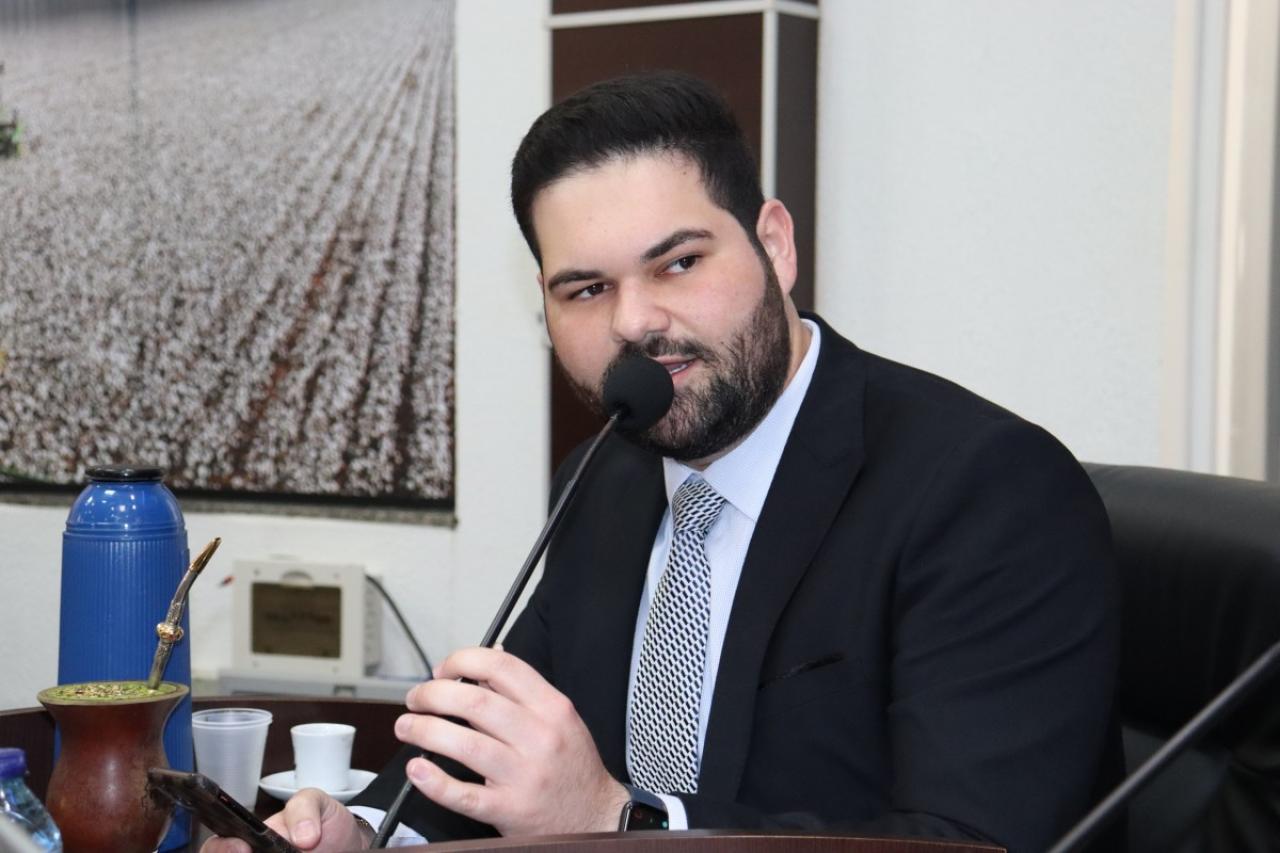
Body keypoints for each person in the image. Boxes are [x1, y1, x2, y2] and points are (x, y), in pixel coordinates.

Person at [204, 71, 1122, 853]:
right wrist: (365, 832)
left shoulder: (985, 490)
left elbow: (971, 841)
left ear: (774, 245)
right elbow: (499, 754)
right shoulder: (606, 475)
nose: (635, 322)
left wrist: (620, 823)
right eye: (586, 288)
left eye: (678, 264)